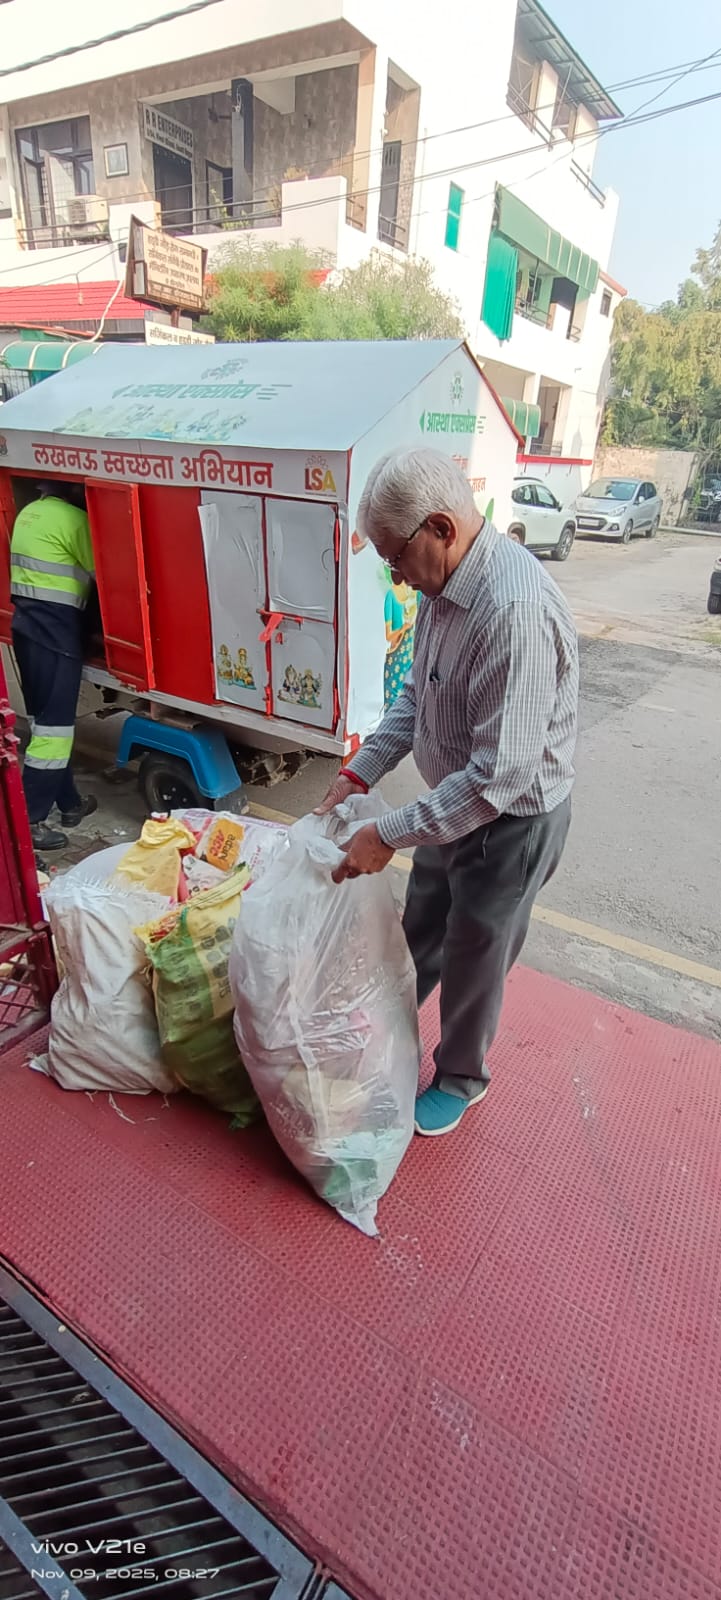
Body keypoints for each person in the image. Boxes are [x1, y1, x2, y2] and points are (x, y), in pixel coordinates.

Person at [317, 448, 579, 1137]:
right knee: (419, 927)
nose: (394, 576)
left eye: (395, 557)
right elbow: (416, 698)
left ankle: (462, 1077)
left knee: (475, 948)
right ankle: (388, 1032)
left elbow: (500, 777)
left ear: (438, 528)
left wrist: (386, 833)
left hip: (510, 821)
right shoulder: (443, 589)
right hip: (453, 806)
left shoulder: (511, 612)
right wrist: (359, 770)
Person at [10, 481, 98, 852]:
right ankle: (30, 820)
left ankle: (70, 804)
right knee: (55, 731)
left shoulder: (29, 513)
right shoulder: (75, 520)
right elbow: (107, 573)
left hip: (26, 628)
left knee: (44, 722)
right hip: (55, 634)